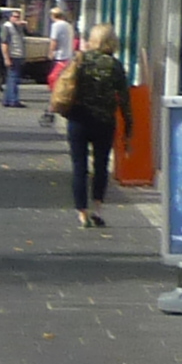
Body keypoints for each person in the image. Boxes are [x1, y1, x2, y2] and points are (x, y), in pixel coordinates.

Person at [58, 36, 126, 225]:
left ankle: (82, 212)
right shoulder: (114, 65)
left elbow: (66, 85)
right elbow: (125, 98)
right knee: (101, 166)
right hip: (104, 121)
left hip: (78, 119)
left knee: (79, 166)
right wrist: (129, 125)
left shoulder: (80, 60)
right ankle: (97, 208)